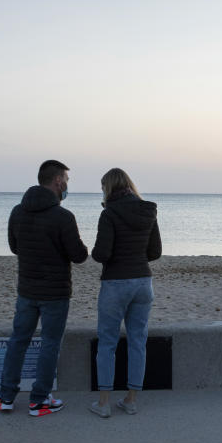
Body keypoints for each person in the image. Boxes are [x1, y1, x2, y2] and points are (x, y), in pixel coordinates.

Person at [0, 160, 88, 416]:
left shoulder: (18, 211)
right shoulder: (63, 216)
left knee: (18, 341)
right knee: (50, 344)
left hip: (26, 289)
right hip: (55, 293)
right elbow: (79, 255)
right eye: (67, 180)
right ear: (58, 181)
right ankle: (39, 400)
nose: (67, 185)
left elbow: (14, 247)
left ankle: (6, 396)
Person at [88, 169, 162, 418]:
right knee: (138, 341)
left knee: (107, 342)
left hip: (115, 283)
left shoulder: (108, 213)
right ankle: (130, 400)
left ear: (108, 187)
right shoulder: (148, 210)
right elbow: (155, 252)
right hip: (143, 282)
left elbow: (102, 254)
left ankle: (104, 402)